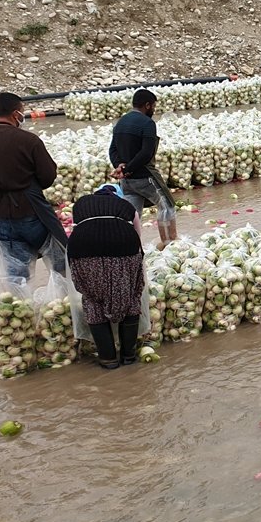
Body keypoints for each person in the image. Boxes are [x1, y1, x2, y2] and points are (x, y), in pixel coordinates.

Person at [0, 91, 67, 283]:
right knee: (59, 262)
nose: (23, 115)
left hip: (1, 218)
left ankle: (19, 309)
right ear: (15, 114)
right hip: (33, 213)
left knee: (16, 275)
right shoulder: (29, 141)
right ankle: (67, 304)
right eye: (22, 111)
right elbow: (48, 177)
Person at [67, 183, 145, 370]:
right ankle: (128, 356)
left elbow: (76, 228)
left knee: (93, 299)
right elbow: (138, 238)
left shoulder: (81, 204)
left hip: (83, 252)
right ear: (116, 196)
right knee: (131, 296)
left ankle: (108, 359)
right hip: (124, 250)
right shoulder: (127, 207)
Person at [109, 89, 178, 250]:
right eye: (153, 106)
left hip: (126, 182)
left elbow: (112, 150)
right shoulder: (147, 124)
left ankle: (130, 250)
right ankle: (169, 245)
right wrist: (129, 169)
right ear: (147, 105)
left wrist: (120, 167)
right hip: (144, 177)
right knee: (167, 206)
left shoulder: (121, 122)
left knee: (133, 216)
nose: (153, 110)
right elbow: (146, 153)